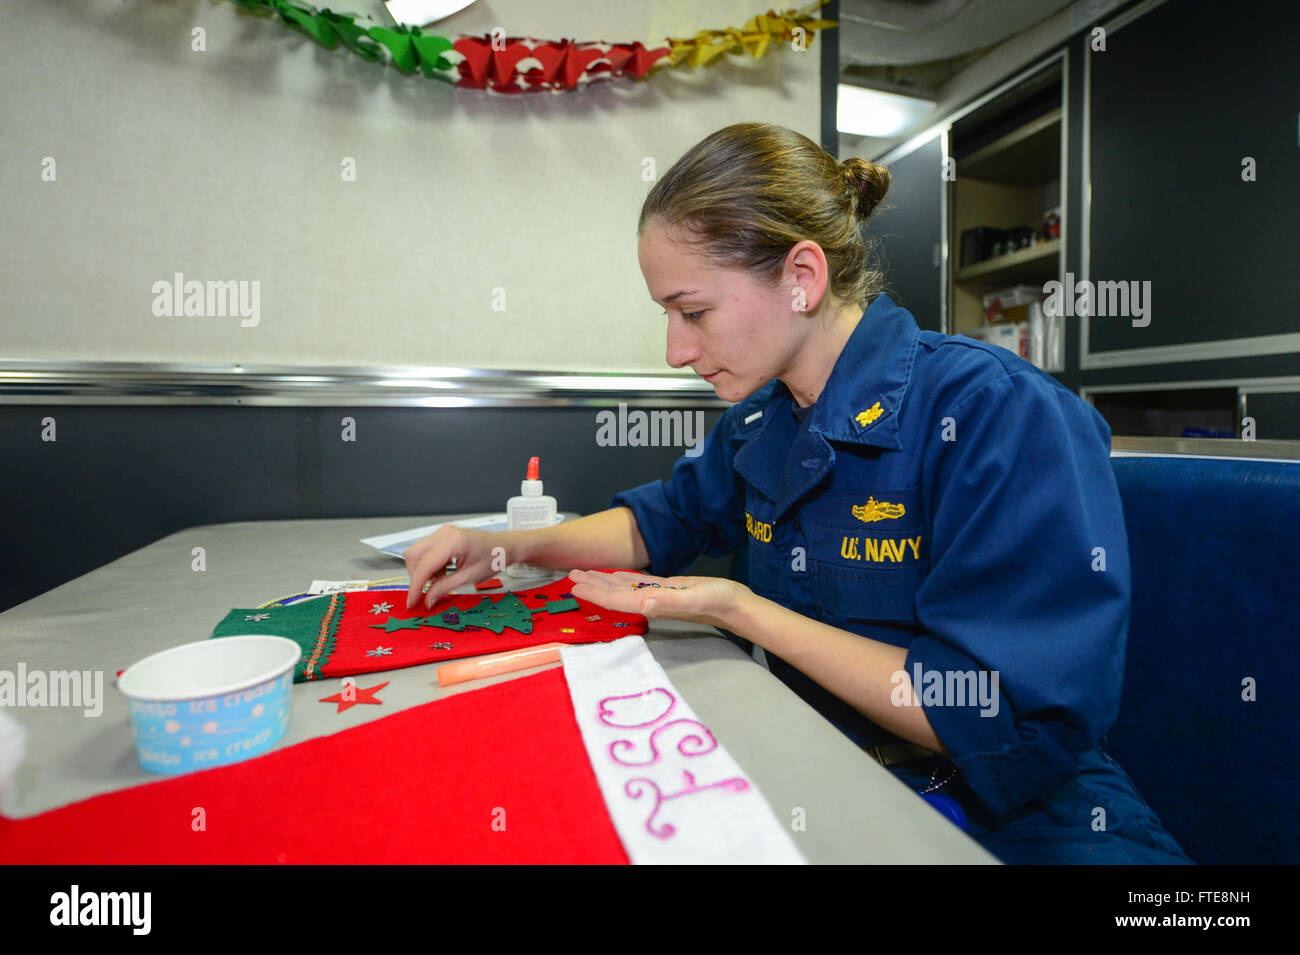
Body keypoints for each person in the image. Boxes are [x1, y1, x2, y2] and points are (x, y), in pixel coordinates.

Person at [404, 122, 1192, 865]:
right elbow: (661, 522)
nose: (677, 350)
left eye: (694, 312)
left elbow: (990, 707)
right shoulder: (763, 416)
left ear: (802, 278)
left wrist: (737, 607)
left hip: (1026, 816)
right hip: (826, 769)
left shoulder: (996, 411)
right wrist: (508, 545)